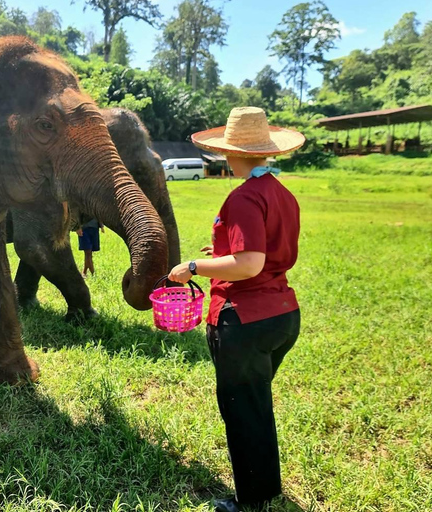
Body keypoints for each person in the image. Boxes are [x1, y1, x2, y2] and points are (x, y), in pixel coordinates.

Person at [168, 107, 305, 512]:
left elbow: (249, 264)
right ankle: (265, 488)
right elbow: (261, 250)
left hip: (244, 320)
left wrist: (192, 267)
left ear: (232, 153)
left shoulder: (244, 196)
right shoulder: (281, 192)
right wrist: (222, 253)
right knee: (256, 403)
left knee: (242, 410)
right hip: (282, 314)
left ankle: (251, 501)